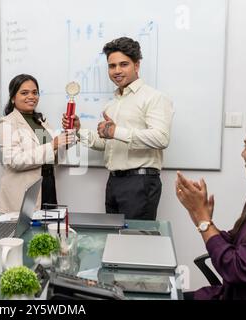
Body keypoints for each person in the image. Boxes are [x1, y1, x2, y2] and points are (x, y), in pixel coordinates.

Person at [62, 37, 174, 220]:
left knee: (135, 242)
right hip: (114, 181)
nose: (117, 71)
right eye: (112, 66)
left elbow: (161, 138)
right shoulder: (112, 104)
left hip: (141, 183)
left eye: (124, 64)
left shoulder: (154, 97)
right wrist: (78, 130)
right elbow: (107, 144)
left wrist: (116, 131)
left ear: (136, 65)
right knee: (114, 239)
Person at [176, 114, 246, 300]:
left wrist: (204, 220)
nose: (242, 153)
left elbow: (236, 269)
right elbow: (234, 242)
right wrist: (200, 217)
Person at [0, 74, 73, 213]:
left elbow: (55, 155)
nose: (31, 96)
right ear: (13, 98)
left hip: (48, 184)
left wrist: (72, 131)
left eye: (35, 92)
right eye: (24, 93)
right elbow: (15, 160)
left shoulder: (40, 121)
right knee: (27, 233)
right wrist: (53, 145)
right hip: (24, 190)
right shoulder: (7, 123)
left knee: (47, 231)